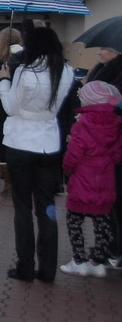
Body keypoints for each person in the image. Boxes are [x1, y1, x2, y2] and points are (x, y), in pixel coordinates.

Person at [0, 26, 74, 283]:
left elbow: (10, 108)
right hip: (48, 143)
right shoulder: (66, 71)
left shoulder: (25, 73)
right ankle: (48, 269)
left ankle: (25, 267)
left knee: (22, 208)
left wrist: (4, 81)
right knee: (47, 208)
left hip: (21, 142)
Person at [59, 81, 122, 278]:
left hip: (82, 181)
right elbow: (118, 155)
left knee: (75, 220)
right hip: (105, 180)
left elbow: (73, 156)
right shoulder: (116, 124)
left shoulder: (82, 124)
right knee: (102, 222)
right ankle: (98, 260)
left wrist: (68, 171)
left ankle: (79, 259)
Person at [80, 44, 122, 266]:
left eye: (104, 49)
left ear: (117, 51)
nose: (99, 52)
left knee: (113, 196)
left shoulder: (114, 74)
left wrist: (95, 96)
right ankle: (111, 245)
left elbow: (113, 105)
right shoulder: (102, 70)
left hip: (113, 140)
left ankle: (112, 247)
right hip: (107, 140)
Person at [0, 28, 23, 197]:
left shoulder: (2, 62)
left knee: (3, 145)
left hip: (3, 109)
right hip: (21, 109)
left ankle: (9, 183)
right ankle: (20, 181)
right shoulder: (27, 60)